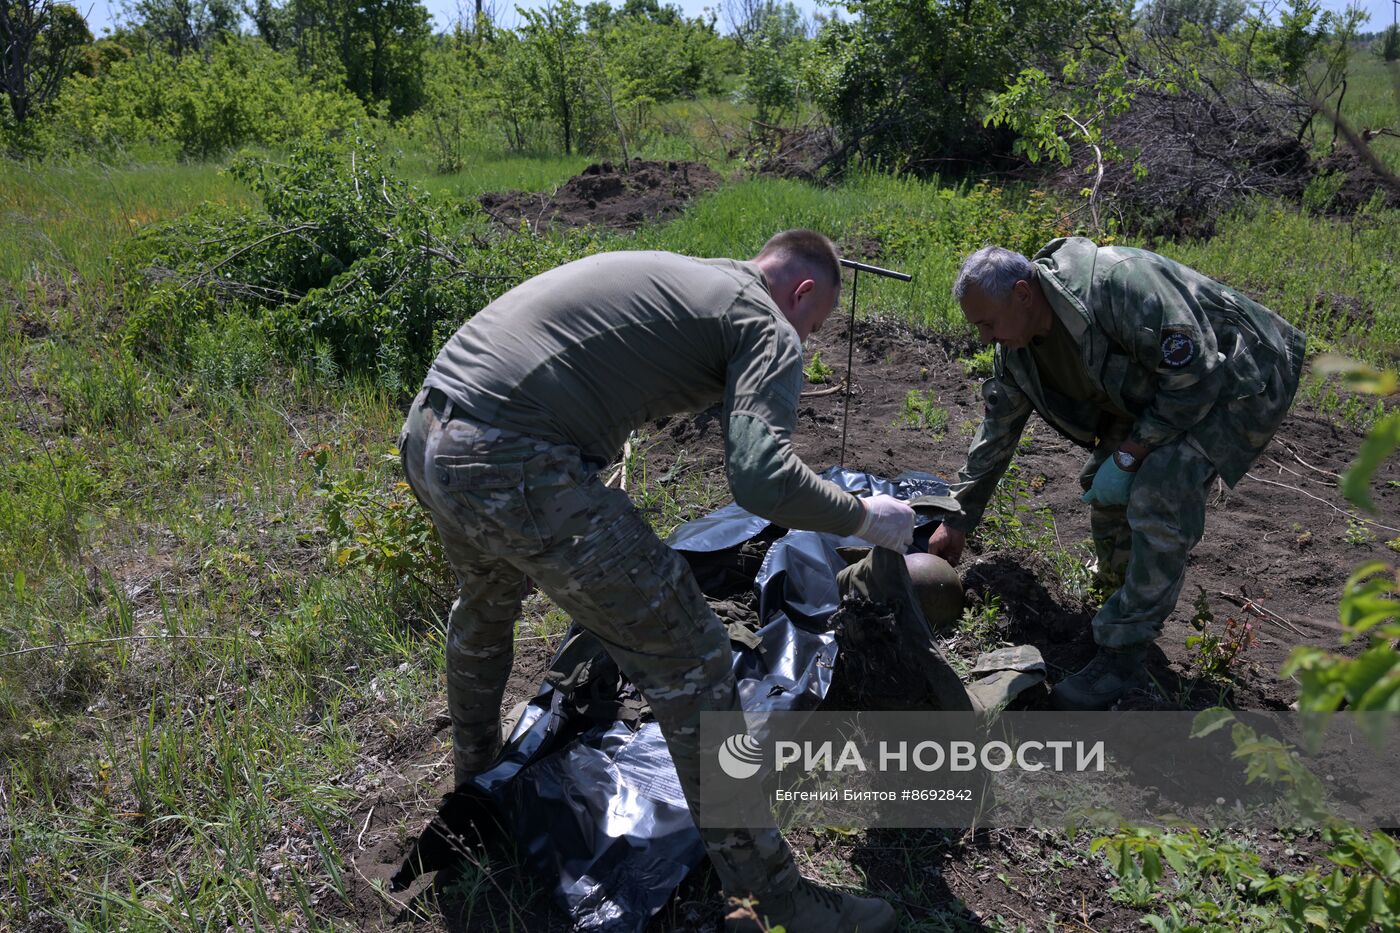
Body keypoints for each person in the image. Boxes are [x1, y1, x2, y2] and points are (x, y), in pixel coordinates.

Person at [399, 230, 908, 932]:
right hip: (512, 452)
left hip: (432, 428)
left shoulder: (696, 279)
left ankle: (477, 788)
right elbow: (760, 478)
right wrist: (865, 516)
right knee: (694, 655)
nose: (807, 340)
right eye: (813, 326)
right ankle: (778, 895)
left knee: (484, 607)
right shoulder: (763, 319)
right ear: (802, 293)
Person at [929, 238, 1305, 710]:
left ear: (1023, 294)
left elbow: (1196, 376)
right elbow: (996, 433)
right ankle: (1119, 596)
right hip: (1159, 389)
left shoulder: (1115, 285)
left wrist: (1131, 454)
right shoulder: (1019, 350)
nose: (984, 338)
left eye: (987, 323)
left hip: (1239, 374)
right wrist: (956, 517)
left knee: (1158, 490)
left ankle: (1124, 656)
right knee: (1103, 489)